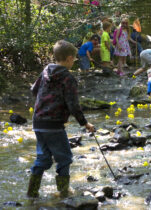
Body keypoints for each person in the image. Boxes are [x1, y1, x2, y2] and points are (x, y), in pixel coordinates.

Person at [27, 40, 95, 198]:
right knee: (64, 158)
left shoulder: (46, 71)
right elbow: (73, 105)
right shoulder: (68, 77)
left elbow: (33, 90)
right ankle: (64, 192)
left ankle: (31, 192)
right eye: (75, 59)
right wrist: (85, 123)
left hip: (38, 121)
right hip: (54, 125)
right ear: (70, 58)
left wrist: (44, 105)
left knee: (43, 158)